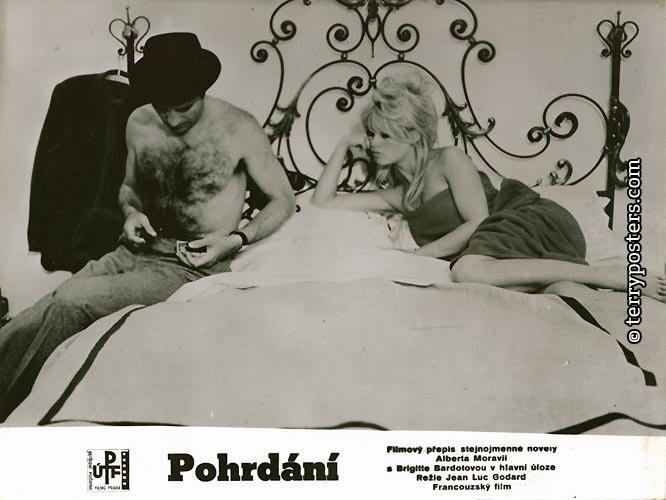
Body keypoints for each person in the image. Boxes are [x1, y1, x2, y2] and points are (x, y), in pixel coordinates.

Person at [0, 32, 296, 420]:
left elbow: (284, 200)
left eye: (184, 108)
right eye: (163, 108)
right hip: (133, 251)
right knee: (41, 309)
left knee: (72, 302)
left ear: (204, 91)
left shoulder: (239, 128)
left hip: (189, 265)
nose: (172, 119)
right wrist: (130, 213)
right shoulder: (139, 121)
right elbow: (129, 188)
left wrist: (236, 239)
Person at [311, 73, 666, 300]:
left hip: (529, 220)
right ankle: (567, 282)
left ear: (413, 136)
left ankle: (608, 276)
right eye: (370, 133)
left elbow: (478, 221)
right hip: (502, 254)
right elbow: (323, 202)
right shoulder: (402, 196)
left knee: (465, 271)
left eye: (383, 135)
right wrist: (343, 146)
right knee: (555, 294)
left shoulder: (448, 159)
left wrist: (419, 257)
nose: (372, 143)